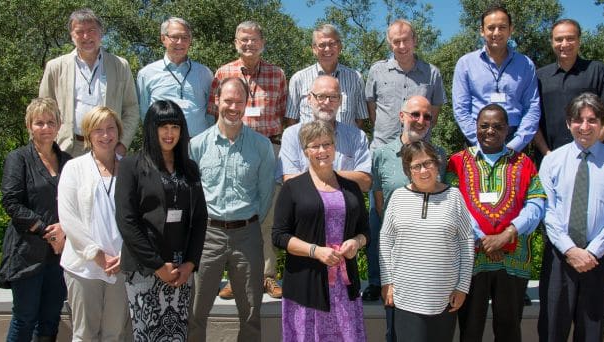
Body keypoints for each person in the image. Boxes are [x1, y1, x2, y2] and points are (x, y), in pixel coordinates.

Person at [445, 104, 546, 342]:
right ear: (476, 128)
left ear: (508, 129)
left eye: (497, 126)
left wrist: (508, 233)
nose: (490, 131)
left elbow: (536, 205)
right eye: (484, 126)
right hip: (472, 259)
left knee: (509, 328)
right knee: (470, 328)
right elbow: (454, 204)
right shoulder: (456, 163)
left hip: (513, 259)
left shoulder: (524, 163)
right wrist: (483, 238)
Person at [538, 93, 604, 341]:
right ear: (569, 123)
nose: (584, 126)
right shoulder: (552, 162)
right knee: (552, 331)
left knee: (592, 332)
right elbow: (547, 210)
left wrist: (593, 251)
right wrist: (570, 250)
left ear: (602, 123)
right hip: (560, 258)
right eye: (578, 120)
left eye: (592, 120)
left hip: (599, 260)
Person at [188, 77, 275, 342]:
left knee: (250, 313)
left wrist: (246, 220)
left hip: (247, 235)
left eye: (239, 101)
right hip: (208, 236)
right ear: (216, 101)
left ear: (246, 104)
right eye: (228, 100)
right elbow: (191, 194)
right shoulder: (197, 145)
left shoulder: (261, 146)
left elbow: (265, 194)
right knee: (196, 311)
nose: (233, 107)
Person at [115, 100, 208, 340]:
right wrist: (157, 265)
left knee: (176, 334)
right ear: (151, 129)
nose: (169, 133)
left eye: (175, 127)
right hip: (145, 270)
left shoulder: (190, 168)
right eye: (163, 126)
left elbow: (199, 219)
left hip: (180, 272)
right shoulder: (130, 166)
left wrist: (190, 263)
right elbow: (127, 221)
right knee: (147, 335)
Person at [208, 20, 286, 298]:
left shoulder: (277, 75)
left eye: (254, 39)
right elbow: (212, 113)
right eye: (243, 39)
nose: (248, 44)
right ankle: (236, 277)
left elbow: (285, 116)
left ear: (263, 43)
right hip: (234, 149)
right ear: (235, 43)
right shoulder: (223, 73)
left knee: (266, 214)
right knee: (235, 212)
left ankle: (267, 275)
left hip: (268, 150)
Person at [272, 120, 369, 341]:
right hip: (307, 285)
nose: (322, 151)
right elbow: (279, 236)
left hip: (344, 288)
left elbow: (365, 230)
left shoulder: (351, 187)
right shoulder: (292, 188)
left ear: (335, 147)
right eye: (314, 146)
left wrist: (357, 242)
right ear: (305, 151)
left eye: (327, 144)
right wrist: (316, 251)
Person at [364, 95, 447, 341]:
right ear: (402, 117)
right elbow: (378, 206)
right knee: (396, 329)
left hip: (430, 261)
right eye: (415, 114)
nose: (421, 120)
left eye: (427, 116)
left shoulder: (440, 155)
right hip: (396, 259)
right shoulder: (382, 154)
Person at [379, 141, 474, 341]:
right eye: (416, 166)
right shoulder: (398, 197)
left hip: (444, 298)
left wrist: (462, 286)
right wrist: (387, 281)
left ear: (437, 164)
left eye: (428, 163)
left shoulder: (454, 197)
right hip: (406, 297)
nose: (424, 170)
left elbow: (466, 241)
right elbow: (386, 240)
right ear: (408, 170)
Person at [0, 98, 71, 342]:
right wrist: (45, 230)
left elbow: (78, 204)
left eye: (51, 122)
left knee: (50, 321)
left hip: (59, 254)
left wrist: (64, 229)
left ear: (59, 125)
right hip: (26, 252)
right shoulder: (18, 159)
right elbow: (11, 202)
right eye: (39, 123)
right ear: (29, 125)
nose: (46, 128)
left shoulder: (69, 162)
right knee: (25, 318)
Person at [57, 106, 130, 341]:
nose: (106, 135)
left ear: (118, 132)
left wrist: (124, 255)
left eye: (110, 128)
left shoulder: (132, 168)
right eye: (98, 130)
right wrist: (96, 254)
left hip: (120, 266)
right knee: (84, 334)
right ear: (88, 134)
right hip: (83, 268)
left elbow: (140, 217)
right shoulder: (74, 168)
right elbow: (68, 218)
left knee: (115, 334)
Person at [39, 8, 139, 157]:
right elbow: (42, 111)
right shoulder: (55, 67)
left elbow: (131, 109)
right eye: (79, 32)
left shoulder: (120, 65)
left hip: (108, 147)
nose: (86, 36)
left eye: (91, 30)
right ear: (71, 35)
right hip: (67, 148)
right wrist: (47, 147)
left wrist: (122, 144)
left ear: (101, 33)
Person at [452, 5, 540, 152]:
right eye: (491, 27)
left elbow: (532, 107)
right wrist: (480, 141)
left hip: (515, 140)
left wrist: (517, 144)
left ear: (511, 30)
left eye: (502, 27)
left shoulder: (526, 64)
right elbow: (461, 109)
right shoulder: (466, 63)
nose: (496, 32)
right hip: (477, 141)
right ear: (482, 30)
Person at [534, 18, 604, 158]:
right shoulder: (539, 76)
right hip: (552, 158)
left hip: (595, 157)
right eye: (559, 39)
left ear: (579, 40)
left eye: (570, 38)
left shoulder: (597, 70)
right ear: (552, 42)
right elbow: (533, 119)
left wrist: (591, 149)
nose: (564, 44)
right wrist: (547, 154)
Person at [277, 75, 371, 192]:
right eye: (321, 96)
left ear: (340, 100)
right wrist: (341, 177)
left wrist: (314, 176)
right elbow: (290, 181)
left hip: (346, 207)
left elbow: (365, 182)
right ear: (309, 99)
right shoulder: (292, 135)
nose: (327, 102)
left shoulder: (357, 136)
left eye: (333, 97)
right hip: (306, 207)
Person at [366, 18, 446, 150]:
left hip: (418, 151)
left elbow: (433, 118)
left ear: (414, 40)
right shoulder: (376, 71)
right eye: (396, 41)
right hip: (382, 149)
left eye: (406, 40)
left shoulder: (432, 73)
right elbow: (372, 112)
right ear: (390, 44)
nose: (402, 46)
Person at [137, 17, 215, 137]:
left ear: (190, 40)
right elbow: (144, 113)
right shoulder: (147, 74)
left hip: (198, 145)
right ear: (163, 38)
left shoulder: (204, 73)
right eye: (175, 37)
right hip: (163, 144)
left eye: (185, 37)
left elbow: (211, 112)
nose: (180, 42)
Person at [286, 23, 368, 127]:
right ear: (314, 49)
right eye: (322, 45)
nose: (327, 49)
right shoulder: (298, 79)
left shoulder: (355, 78)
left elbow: (360, 119)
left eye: (332, 44)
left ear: (340, 47)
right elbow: (291, 119)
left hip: (345, 142)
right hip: (309, 142)